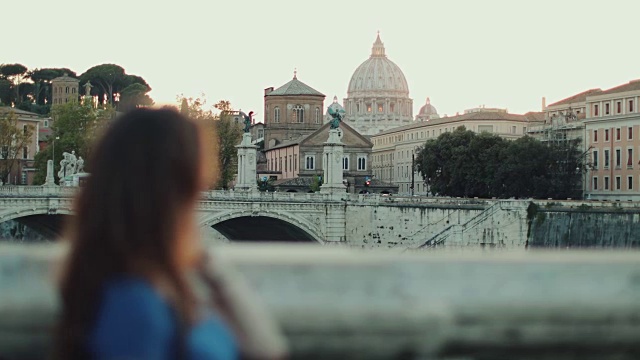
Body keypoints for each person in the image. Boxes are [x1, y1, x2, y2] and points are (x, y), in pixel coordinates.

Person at [53, 108, 286, 360]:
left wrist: (203, 260)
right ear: (181, 187)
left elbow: (267, 349)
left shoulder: (150, 283)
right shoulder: (136, 307)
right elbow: (266, 349)